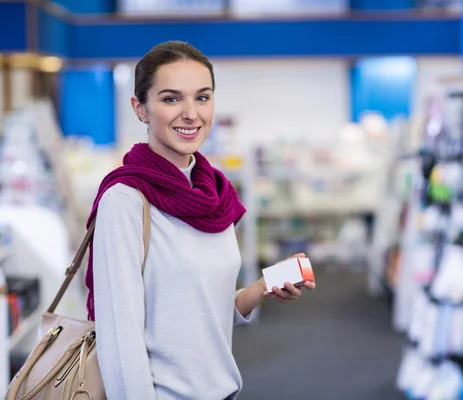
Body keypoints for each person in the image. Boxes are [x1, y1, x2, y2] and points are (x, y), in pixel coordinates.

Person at [85, 40, 316, 399]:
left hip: (223, 390)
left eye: (202, 97)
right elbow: (119, 338)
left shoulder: (214, 195)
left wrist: (261, 289)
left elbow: (201, 312)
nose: (191, 113)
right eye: (171, 99)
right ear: (140, 109)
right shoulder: (125, 201)